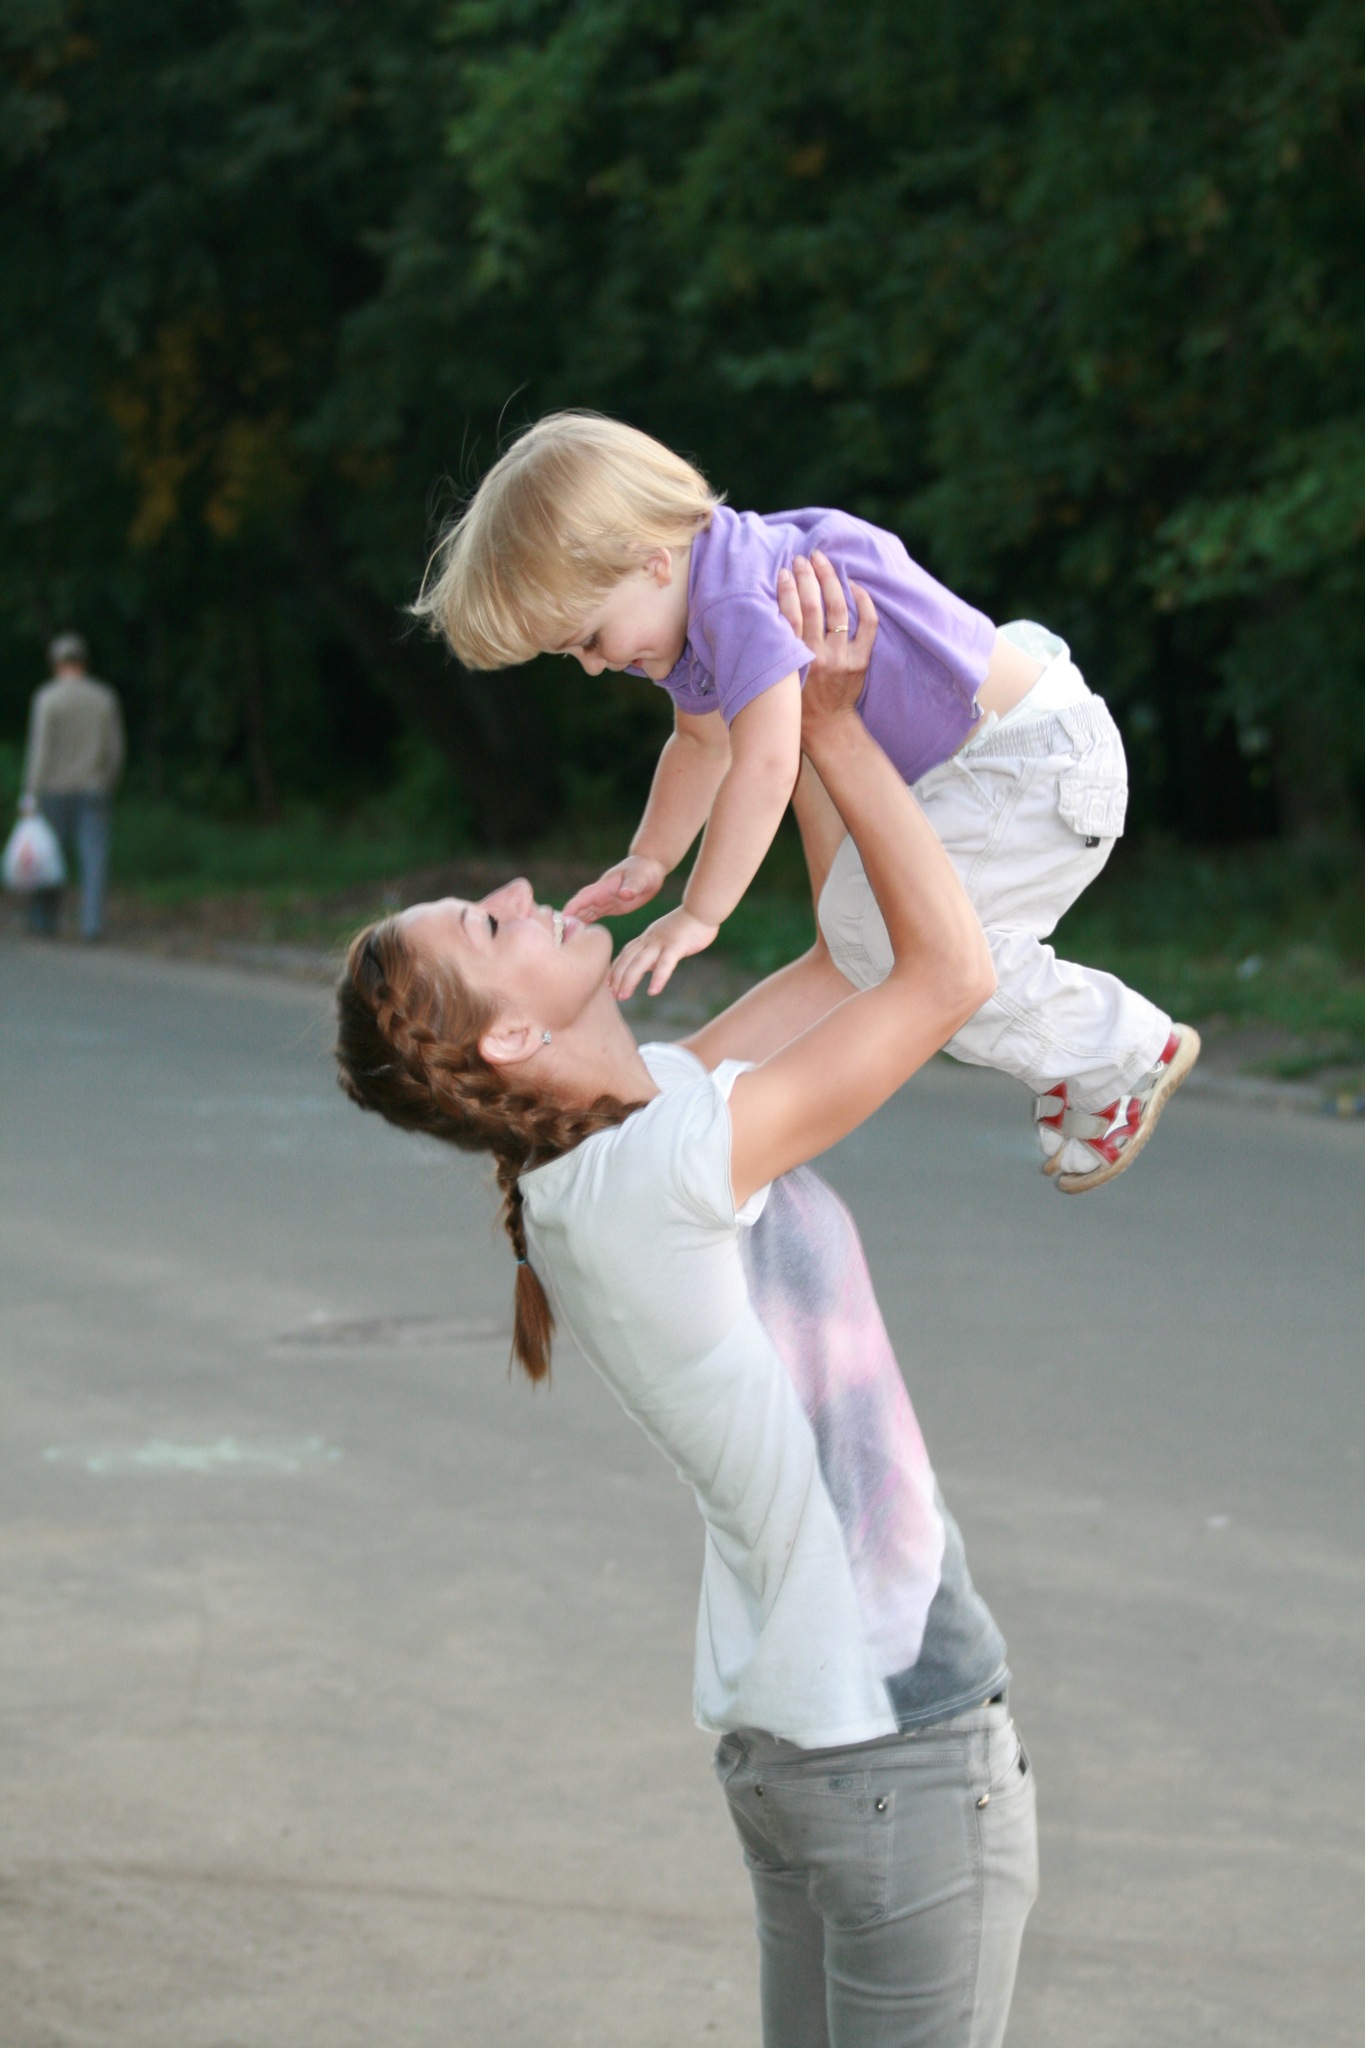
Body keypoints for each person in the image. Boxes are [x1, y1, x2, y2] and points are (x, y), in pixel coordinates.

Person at [336, 559, 1038, 2047]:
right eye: (487, 926)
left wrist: (805, 710)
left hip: (807, 1748)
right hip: (894, 1741)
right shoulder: (654, 1172)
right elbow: (946, 975)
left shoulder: (625, 1144)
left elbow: (845, 961)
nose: (517, 893)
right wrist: (832, 735)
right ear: (512, 1038)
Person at [414, 412, 1198, 1192]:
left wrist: (699, 913)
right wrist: (650, 856)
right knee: (870, 934)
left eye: (588, 640)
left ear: (649, 562)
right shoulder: (699, 601)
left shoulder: (733, 603)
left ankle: (1117, 1054)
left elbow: (763, 765)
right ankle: (1084, 1053)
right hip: (987, 755)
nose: (592, 667)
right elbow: (701, 744)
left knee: (892, 941)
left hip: (1028, 766)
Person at [19, 632, 125, 941]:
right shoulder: (104, 697)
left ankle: (44, 920)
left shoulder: (47, 698)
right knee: (94, 857)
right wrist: (107, 781)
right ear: (84, 661)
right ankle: (91, 925)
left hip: (54, 789)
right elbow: (116, 750)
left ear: (56, 663)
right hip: (93, 788)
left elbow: (40, 750)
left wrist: (30, 792)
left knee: (49, 855)